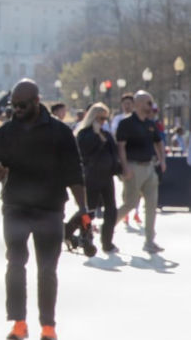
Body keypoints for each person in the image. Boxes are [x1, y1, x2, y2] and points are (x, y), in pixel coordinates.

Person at [0, 79, 86, 340]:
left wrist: (83, 208)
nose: (16, 110)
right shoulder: (4, 133)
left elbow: (74, 172)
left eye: (21, 105)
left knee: (46, 269)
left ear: (36, 102)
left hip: (50, 207)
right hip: (16, 206)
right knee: (16, 264)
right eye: (13, 105)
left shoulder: (60, 132)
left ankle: (48, 326)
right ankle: (18, 323)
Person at [64, 102, 121, 254]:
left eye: (104, 118)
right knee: (88, 211)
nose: (102, 121)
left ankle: (107, 243)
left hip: (107, 177)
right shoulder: (84, 134)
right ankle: (81, 236)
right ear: (92, 117)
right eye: (100, 118)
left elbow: (114, 153)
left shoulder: (106, 134)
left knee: (111, 210)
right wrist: (96, 137)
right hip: (91, 177)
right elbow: (84, 152)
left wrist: (119, 168)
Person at [115, 90, 167, 253]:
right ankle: (108, 228)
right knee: (130, 204)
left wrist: (162, 160)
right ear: (138, 104)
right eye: (148, 103)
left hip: (149, 167)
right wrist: (125, 168)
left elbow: (158, 142)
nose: (151, 106)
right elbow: (121, 147)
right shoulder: (126, 124)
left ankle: (149, 241)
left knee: (152, 204)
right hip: (134, 167)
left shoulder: (150, 124)